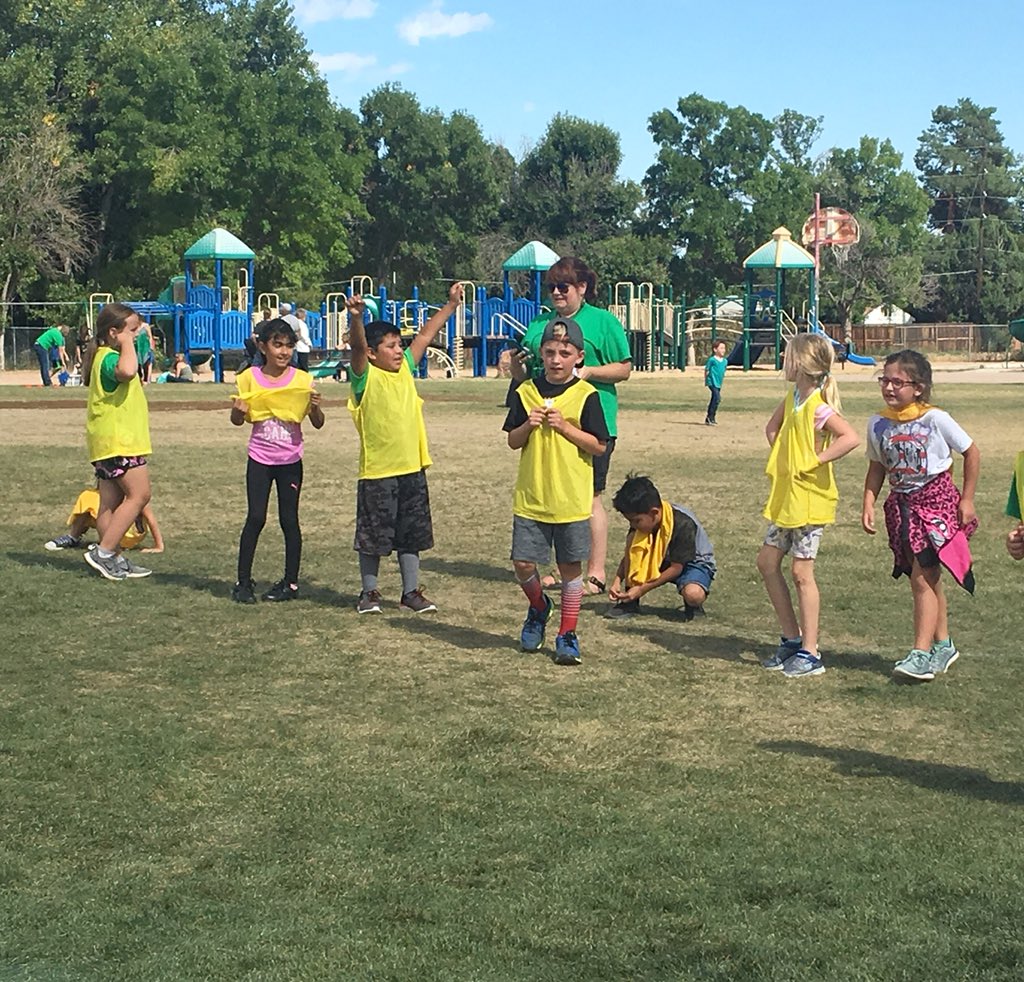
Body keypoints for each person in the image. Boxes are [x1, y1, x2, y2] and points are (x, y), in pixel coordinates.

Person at [511, 257, 631, 596]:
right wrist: (515, 370)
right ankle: (562, 567)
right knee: (553, 494)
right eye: (551, 287)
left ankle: (594, 571)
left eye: (563, 286)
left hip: (591, 419)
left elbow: (624, 369)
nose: (557, 293)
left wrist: (589, 372)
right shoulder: (541, 322)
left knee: (589, 495)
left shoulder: (603, 321)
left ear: (582, 287)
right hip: (544, 422)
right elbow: (529, 370)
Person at [862, 349, 980, 681]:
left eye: (897, 382)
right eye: (884, 380)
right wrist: (868, 502)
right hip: (903, 506)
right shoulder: (878, 423)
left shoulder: (935, 419)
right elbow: (876, 467)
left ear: (919, 387)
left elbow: (971, 452)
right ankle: (943, 644)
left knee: (921, 578)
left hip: (937, 503)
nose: (888, 387)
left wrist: (967, 500)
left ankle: (921, 653)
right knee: (927, 577)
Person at [347, 283, 464, 614]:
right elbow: (356, 348)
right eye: (391, 346)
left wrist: (451, 305)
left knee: (410, 535)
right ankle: (369, 593)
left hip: (412, 469)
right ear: (372, 353)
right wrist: (356, 318)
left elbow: (425, 336)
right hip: (378, 473)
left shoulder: (406, 372)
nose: (399, 351)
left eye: (400, 345)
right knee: (373, 537)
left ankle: (410, 592)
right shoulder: (364, 378)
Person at [503, 316, 609, 665]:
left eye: (565, 353)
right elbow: (512, 441)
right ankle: (538, 606)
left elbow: (598, 446)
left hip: (571, 499)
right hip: (532, 497)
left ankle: (567, 632)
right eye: (550, 352)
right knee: (522, 563)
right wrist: (527, 427)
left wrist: (565, 427)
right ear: (541, 354)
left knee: (570, 570)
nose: (556, 359)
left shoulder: (586, 395)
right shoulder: (526, 391)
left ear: (578, 357)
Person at [756, 333, 860, 678]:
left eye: (787, 357)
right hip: (787, 499)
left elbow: (849, 437)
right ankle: (790, 638)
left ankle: (811, 652)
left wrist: (815, 459)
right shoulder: (793, 398)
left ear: (801, 364)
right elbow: (772, 429)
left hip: (809, 502)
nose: (783, 362)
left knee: (802, 573)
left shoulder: (818, 406)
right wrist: (783, 458)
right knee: (768, 562)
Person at [230, 318, 325, 603]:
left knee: (289, 520)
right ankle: (243, 582)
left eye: (289, 346)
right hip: (259, 458)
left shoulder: (302, 380)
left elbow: (318, 423)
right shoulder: (249, 378)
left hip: (290, 461)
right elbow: (238, 421)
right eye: (277, 345)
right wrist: (237, 411)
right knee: (255, 518)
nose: (283, 352)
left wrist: (315, 409)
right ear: (262, 346)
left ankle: (290, 583)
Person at [81, 303, 155, 581]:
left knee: (110, 503)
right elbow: (127, 371)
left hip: (106, 442)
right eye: (132, 330)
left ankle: (113, 558)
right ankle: (103, 552)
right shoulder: (111, 358)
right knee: (140, 495)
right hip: (120, 441)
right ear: (113, 333)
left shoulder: (102, 356)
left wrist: (127, 341)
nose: (137, 334)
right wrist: (126, 345)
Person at [605, 474, 716, 621]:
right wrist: (617, 580)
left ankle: (692, 604)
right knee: (633, 540)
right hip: (664, 558)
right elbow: (630, 555)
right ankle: (628, 602)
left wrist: (642, 589)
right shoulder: (642, 522)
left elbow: (677, 568)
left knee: (693, 595)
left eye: (636, 521)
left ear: (654, 513)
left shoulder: (683, 523)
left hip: (691, 563)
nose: (633, 525)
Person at [45, 488, 164, 553]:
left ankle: (106, 546)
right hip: (117, 528)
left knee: (93, 499)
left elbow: (150, 519)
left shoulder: (134, 494)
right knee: (89, 497)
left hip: (129, 534)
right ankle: (73, 537)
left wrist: (158, 546)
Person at [704, 339, 727, 425]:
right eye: (721, 348)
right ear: (715, 349)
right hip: (712, 382)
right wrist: (707, 380)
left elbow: (723, 370)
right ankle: (711, 416)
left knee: (714, 399)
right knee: (717, 398)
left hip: (718, 382)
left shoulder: (725, 361)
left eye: (724, 348)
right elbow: (707, 370)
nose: (723, 350)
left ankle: (709, 418)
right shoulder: (712, 360)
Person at [294, 307, 312, 371]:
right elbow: (304, 335)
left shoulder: (294, 323)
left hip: (296, 347)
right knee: (304, 366)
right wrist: (309, 344)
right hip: (303, 347)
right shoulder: (302, 324)